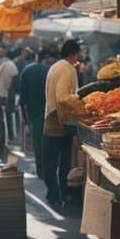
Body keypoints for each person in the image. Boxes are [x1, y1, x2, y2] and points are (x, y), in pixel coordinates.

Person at [42, 40, 82, 209]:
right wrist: (80, 101)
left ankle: (56, 193)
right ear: (72, 53)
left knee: (53, 161)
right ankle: (58, 194)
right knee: (59, 161)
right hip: (59, 119)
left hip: (53, 116)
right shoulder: (67, 68)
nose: (78, 59)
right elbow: (62, 97)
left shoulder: (56, 66)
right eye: (77, 55)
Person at [18, 49, 53, 163]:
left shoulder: (27, 70)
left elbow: (22, 96)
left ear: (37, 56)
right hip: (49, 111)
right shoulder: (50, 71)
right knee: (49, 142)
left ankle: (40, 168)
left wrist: (25, 116)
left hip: (34, 112)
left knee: (37, 142)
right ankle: (48, 167)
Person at [0, 46, 18, 148]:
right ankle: (5, 137)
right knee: (3, 116)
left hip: (4, 93)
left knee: (2, 116)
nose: (2, 53)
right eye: (1, 51)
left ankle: (5, 138)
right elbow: (15, 77)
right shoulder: (9, 64)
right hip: (3, 93)